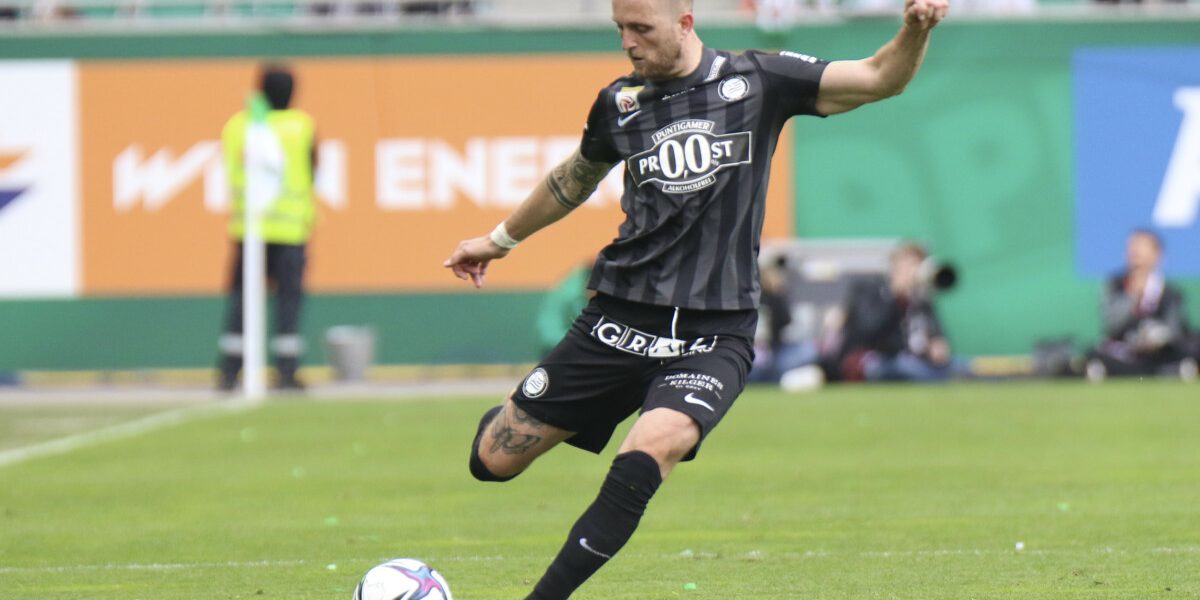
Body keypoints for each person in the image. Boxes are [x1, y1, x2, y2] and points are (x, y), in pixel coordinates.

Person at [442, 0, 948, 596]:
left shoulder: (759, 79)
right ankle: (532, 402)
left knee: (653, 446)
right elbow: (573, 178)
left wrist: (914, 29)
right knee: (492, 461)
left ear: (685, 24)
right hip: (618, 318)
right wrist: (500, 240)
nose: (628, 43)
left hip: (715, 331)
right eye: (620, 30)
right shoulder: (619, 103)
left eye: (641, 29)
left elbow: (877, 78)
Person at [216, 65, 318, 392]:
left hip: (250, 226)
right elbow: (314, 165)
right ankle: (286, 372)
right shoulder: (301, 126)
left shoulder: (238, 126)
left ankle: (229, 371)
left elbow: (231, 165)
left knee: (242, 300)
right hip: (290, 229)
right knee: (288, 302)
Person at [814, 242, 959, 382]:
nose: (912, 271)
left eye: (916, 264)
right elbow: (868, 329)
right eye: (908, 265)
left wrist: (937, 343)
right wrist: (895, 294)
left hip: (913, 359)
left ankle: (942, 375)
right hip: (876, 358)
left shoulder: (921, 299)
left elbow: (933, 331)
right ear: (895, 266)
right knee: (904, 367)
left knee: (959, 364)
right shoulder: (871, 289)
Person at [1085, 229, 1197, 382]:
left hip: (1157, 353)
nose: (1135, 253)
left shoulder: (1170, 291)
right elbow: (1111, 324)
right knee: (1095, 353)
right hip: (1125, 351)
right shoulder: (1116, 284)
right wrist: (1133, 296)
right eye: (1132, 248)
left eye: (1141, 248)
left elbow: (1176, 330)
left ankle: (1159, 371)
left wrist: (1158, 336)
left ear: (1157, 255)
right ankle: (1163, 373)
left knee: (1187, 351)